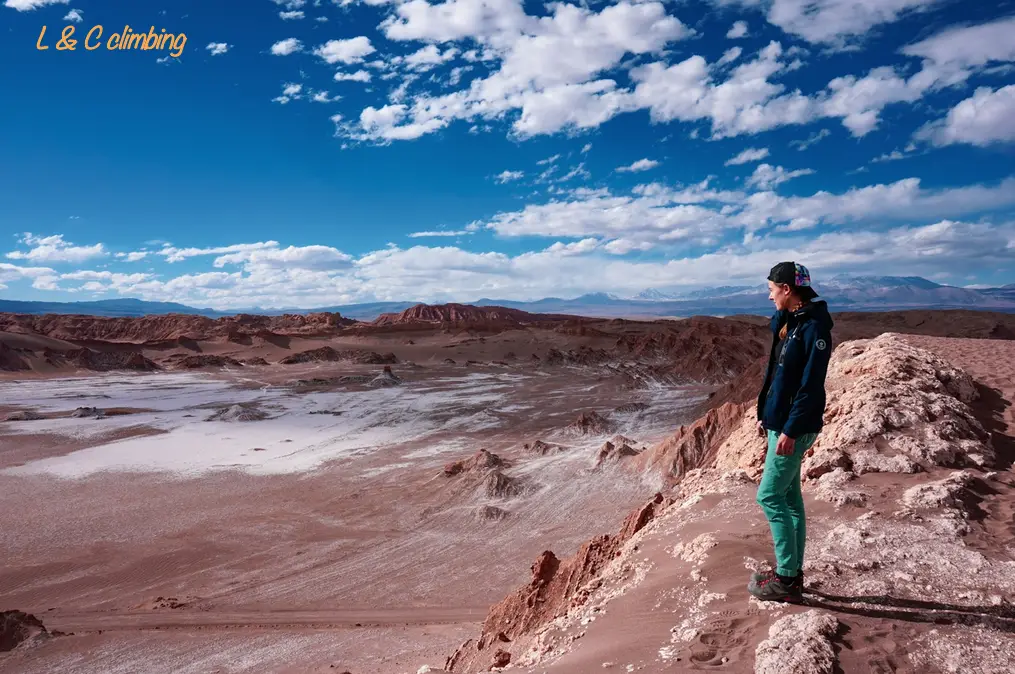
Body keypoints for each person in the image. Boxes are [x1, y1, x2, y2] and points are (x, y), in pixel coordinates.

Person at [748, 261, 834, 602]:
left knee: (769, 496)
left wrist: (790, 430)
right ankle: (792, 573)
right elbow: (779, 376)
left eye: (772, 289)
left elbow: (810, 387)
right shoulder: (794, 323)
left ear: (787, 289)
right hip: (781, 423)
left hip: (792, 428)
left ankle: (785, 579)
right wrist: (766, 416)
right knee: (789, 499)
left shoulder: (813, 329)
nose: (769, 297)